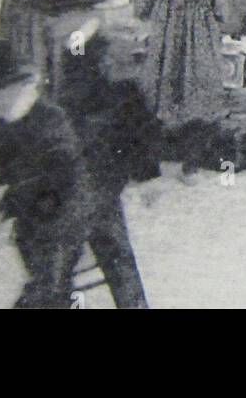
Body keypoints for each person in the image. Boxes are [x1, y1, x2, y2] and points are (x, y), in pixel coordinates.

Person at [0, 41, 91, 309]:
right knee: (36, 267)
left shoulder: (50, 121)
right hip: (29, 217)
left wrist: (16, 194)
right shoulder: (5, 120)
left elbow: (59, 173)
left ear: (11, 88)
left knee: (50, 284)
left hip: (62, 215)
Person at [56, 22, 163, 308]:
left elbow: (140, 130)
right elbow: (143, 131)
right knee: (110, 251)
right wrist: (147, 175)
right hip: (93, 181)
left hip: (88, 182)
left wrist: (147, 174)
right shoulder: (120, 86)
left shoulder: (77, 72)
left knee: (64, 258)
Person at [138, 0, 229, 181]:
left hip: (167, 49)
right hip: (200, 49)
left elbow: (141, 6)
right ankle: (191, 168)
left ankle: (151, 164)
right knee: (197, 98)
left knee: (160, 94)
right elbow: (224, 14)